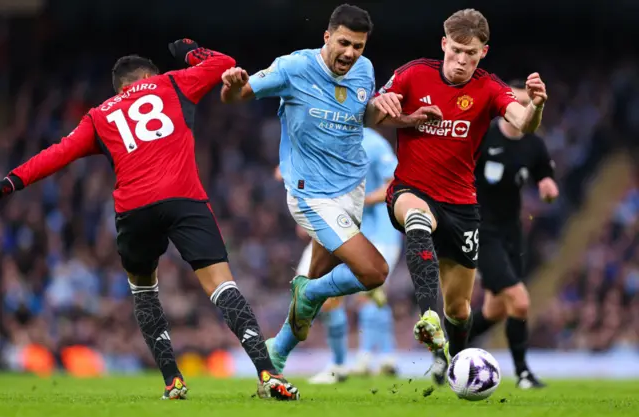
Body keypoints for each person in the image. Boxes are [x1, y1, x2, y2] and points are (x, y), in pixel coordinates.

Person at [0, 39, 299, 401]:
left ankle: (173, 381)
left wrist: (11, 181)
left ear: (120, 87)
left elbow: (57, 154)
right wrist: (188, 49)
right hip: (184, 198)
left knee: (144, 291)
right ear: (148, 77)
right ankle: (267, 373)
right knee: (222, 286)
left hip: (134, 208)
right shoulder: (171, 83)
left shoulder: (99, 115)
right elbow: (225, 62)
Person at [220, 3, 438, 376]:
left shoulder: (364, 71)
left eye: (358, 46)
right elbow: (236, 96)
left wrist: (406, 120)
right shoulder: (294, 67)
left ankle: (274, 358)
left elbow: (363, 116)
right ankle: (309, 292)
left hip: (351, 190)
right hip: (311, 194)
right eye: (344, 43)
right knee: (373, 272)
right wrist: (232, 87)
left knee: (314, 292)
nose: (351, 53)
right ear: (327, 37)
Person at [375, 9, 548, 367]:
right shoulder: (412, 74)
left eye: (471, 53)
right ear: (444, 44)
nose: (462, 59)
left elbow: (523, 123)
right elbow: (369, 116)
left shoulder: (489, 87)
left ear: (483, 52)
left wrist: (535, 106)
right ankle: (428, 317)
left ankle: (449, 359)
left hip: (461, 205)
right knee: (416, 219)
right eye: (456, 49)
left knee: (460, 307)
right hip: (411, 189)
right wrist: (383, 106)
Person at [432, 80, 559, 388]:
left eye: (523, 103)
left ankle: (446, 353)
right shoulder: (484, 135)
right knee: (520, 301)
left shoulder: (534, 142)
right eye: (510, 102)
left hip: (512, 232)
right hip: (480, 229)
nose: (515, 109)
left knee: (495, 308)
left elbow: (545, 174)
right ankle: (524, 373)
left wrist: (547, 186)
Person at [303, 128, 403, 384]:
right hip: (349, 231)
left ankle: (366, 357)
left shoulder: (373, 142)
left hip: (381, 231)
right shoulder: (330, 139)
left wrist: (361, 201)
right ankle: (377, 356)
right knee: (363, 294)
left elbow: (394, 184)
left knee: (367, 293)